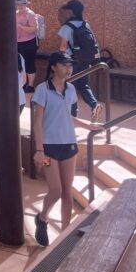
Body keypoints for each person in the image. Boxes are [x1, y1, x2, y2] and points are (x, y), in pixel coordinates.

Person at [33, 51, 100, 247]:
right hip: (48, 149)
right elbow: (38, 122)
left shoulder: (71, 89)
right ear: (53, 67)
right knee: (55, 191)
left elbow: (66, 116)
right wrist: (39, 150)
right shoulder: (42, 90)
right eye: (64, 65)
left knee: (67, 192)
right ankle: (42, 218)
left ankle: (64, 235)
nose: (68, 69)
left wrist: (88, 126)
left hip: (69, 146)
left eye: (70, 65)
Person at [58, 0, 102, 122]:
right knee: (84, 85)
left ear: (71, 12)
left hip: (70, 61)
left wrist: (60, 59)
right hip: (84, 60)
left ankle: (73, 113)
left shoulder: (67, 27)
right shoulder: (85, 24)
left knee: (69, 85)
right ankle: (94, 105)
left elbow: (63, 46)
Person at [16, 0, 39, 92]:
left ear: (26, 4)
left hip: (29, 42)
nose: (20, 6)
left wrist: (21, 27)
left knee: (29, 63)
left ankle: (30, 86)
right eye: (18, 4)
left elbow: (34, 29)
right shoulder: (15, 13)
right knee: (19, 63)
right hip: (17, 42)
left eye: (23, 3)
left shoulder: (30, 14)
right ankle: (22, 83)